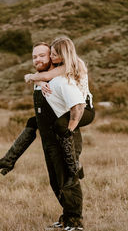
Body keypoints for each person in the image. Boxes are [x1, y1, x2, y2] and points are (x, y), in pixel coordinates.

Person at [0, 41, 92, 231]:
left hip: (64, 135)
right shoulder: (44, 81)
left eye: (44, 55)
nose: (40, 59)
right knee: (55, 181)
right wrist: (38, 80)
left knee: (68, 179)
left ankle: (75, 222)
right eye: (35, 56)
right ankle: (66, 217)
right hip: (49, 139)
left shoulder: (63, 80)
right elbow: (38, 81)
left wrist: (69, 131)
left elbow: (78, 107)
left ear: (55, 57)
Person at [25, 36, 95, 187]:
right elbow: (44, 76)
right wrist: (37, 80)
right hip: (72, 107)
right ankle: (75, 166)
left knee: (62, 127)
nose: (51, 57)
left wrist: (71, 126)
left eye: (54, 54)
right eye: (50, 53)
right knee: (58, 126)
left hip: (85, 109)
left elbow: (47, 76)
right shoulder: (61, 65)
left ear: (64, 54)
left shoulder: (73, 65)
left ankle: (73, 168)